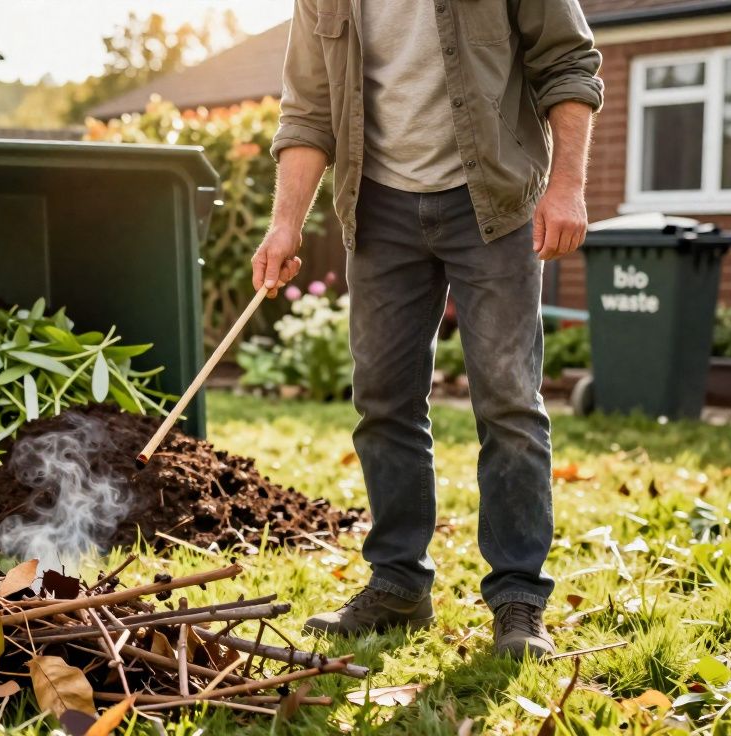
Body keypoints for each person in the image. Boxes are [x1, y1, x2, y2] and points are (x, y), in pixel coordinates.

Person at [252, 0, 603, 659]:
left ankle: (519, 599)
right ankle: (398, 584)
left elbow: (568, 62)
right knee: (382, 402)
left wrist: (567, 186)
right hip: (378, 206)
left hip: (492, 200)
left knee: (508, 403)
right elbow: (308, 108)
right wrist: (285, 221)